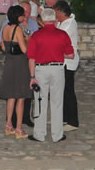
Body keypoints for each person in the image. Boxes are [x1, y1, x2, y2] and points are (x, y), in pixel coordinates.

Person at [27, 8, 74, 143]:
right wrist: (59, 54)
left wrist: (32, 77)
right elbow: (71, 55)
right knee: (57, 102)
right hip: (57, 70)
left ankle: (39, 134)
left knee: (40, 101)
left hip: (41, 70)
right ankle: (57, 134)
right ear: (54, 20)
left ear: (42, 20)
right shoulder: (62, 35)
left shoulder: (36, 36)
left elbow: (31, 58)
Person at [0, 5, 31, 139]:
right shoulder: (18, 29)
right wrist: (27, 41)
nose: (24, 17)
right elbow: (24, 50)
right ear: (18, 16)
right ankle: (19, 128)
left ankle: (8, 125)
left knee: (11, 96)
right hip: (20, 64)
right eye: (22, 14)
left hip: (9, 62)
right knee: (21, 97)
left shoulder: (5, 27)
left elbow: (4, 47)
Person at [54, 0, 79, 132]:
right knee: (62, 91)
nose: (55, 15)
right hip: (63, 61)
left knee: (68, 91)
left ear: (61, 12)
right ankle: (63, 117)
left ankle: (73, 121)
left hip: (67, 62)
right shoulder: (64, 22)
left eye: (56, 12)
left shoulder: (68, 25)